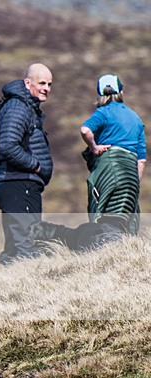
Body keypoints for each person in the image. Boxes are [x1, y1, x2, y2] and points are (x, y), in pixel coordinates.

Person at [33, 74, 145, 251]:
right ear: (121, 91)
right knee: (122, 218)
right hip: (130, 174)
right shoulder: (136, 119)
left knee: (100, 216)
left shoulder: (104, 112)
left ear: (99, 94)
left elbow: (85, 129)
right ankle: (119, 251)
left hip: (109, 168)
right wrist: (133, 184)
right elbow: (142, 160)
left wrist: (93, 147)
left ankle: (98, 251)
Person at [0, 63, 54, 265]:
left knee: (15, 248)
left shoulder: (26, 107)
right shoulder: (18, 107)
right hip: (18, 183)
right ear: (28, 83)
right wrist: (36, 165)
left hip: (20, 184)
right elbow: (8, 146)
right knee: (26, 247)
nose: (46, 88)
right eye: (41, 83)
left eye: (49, 84)